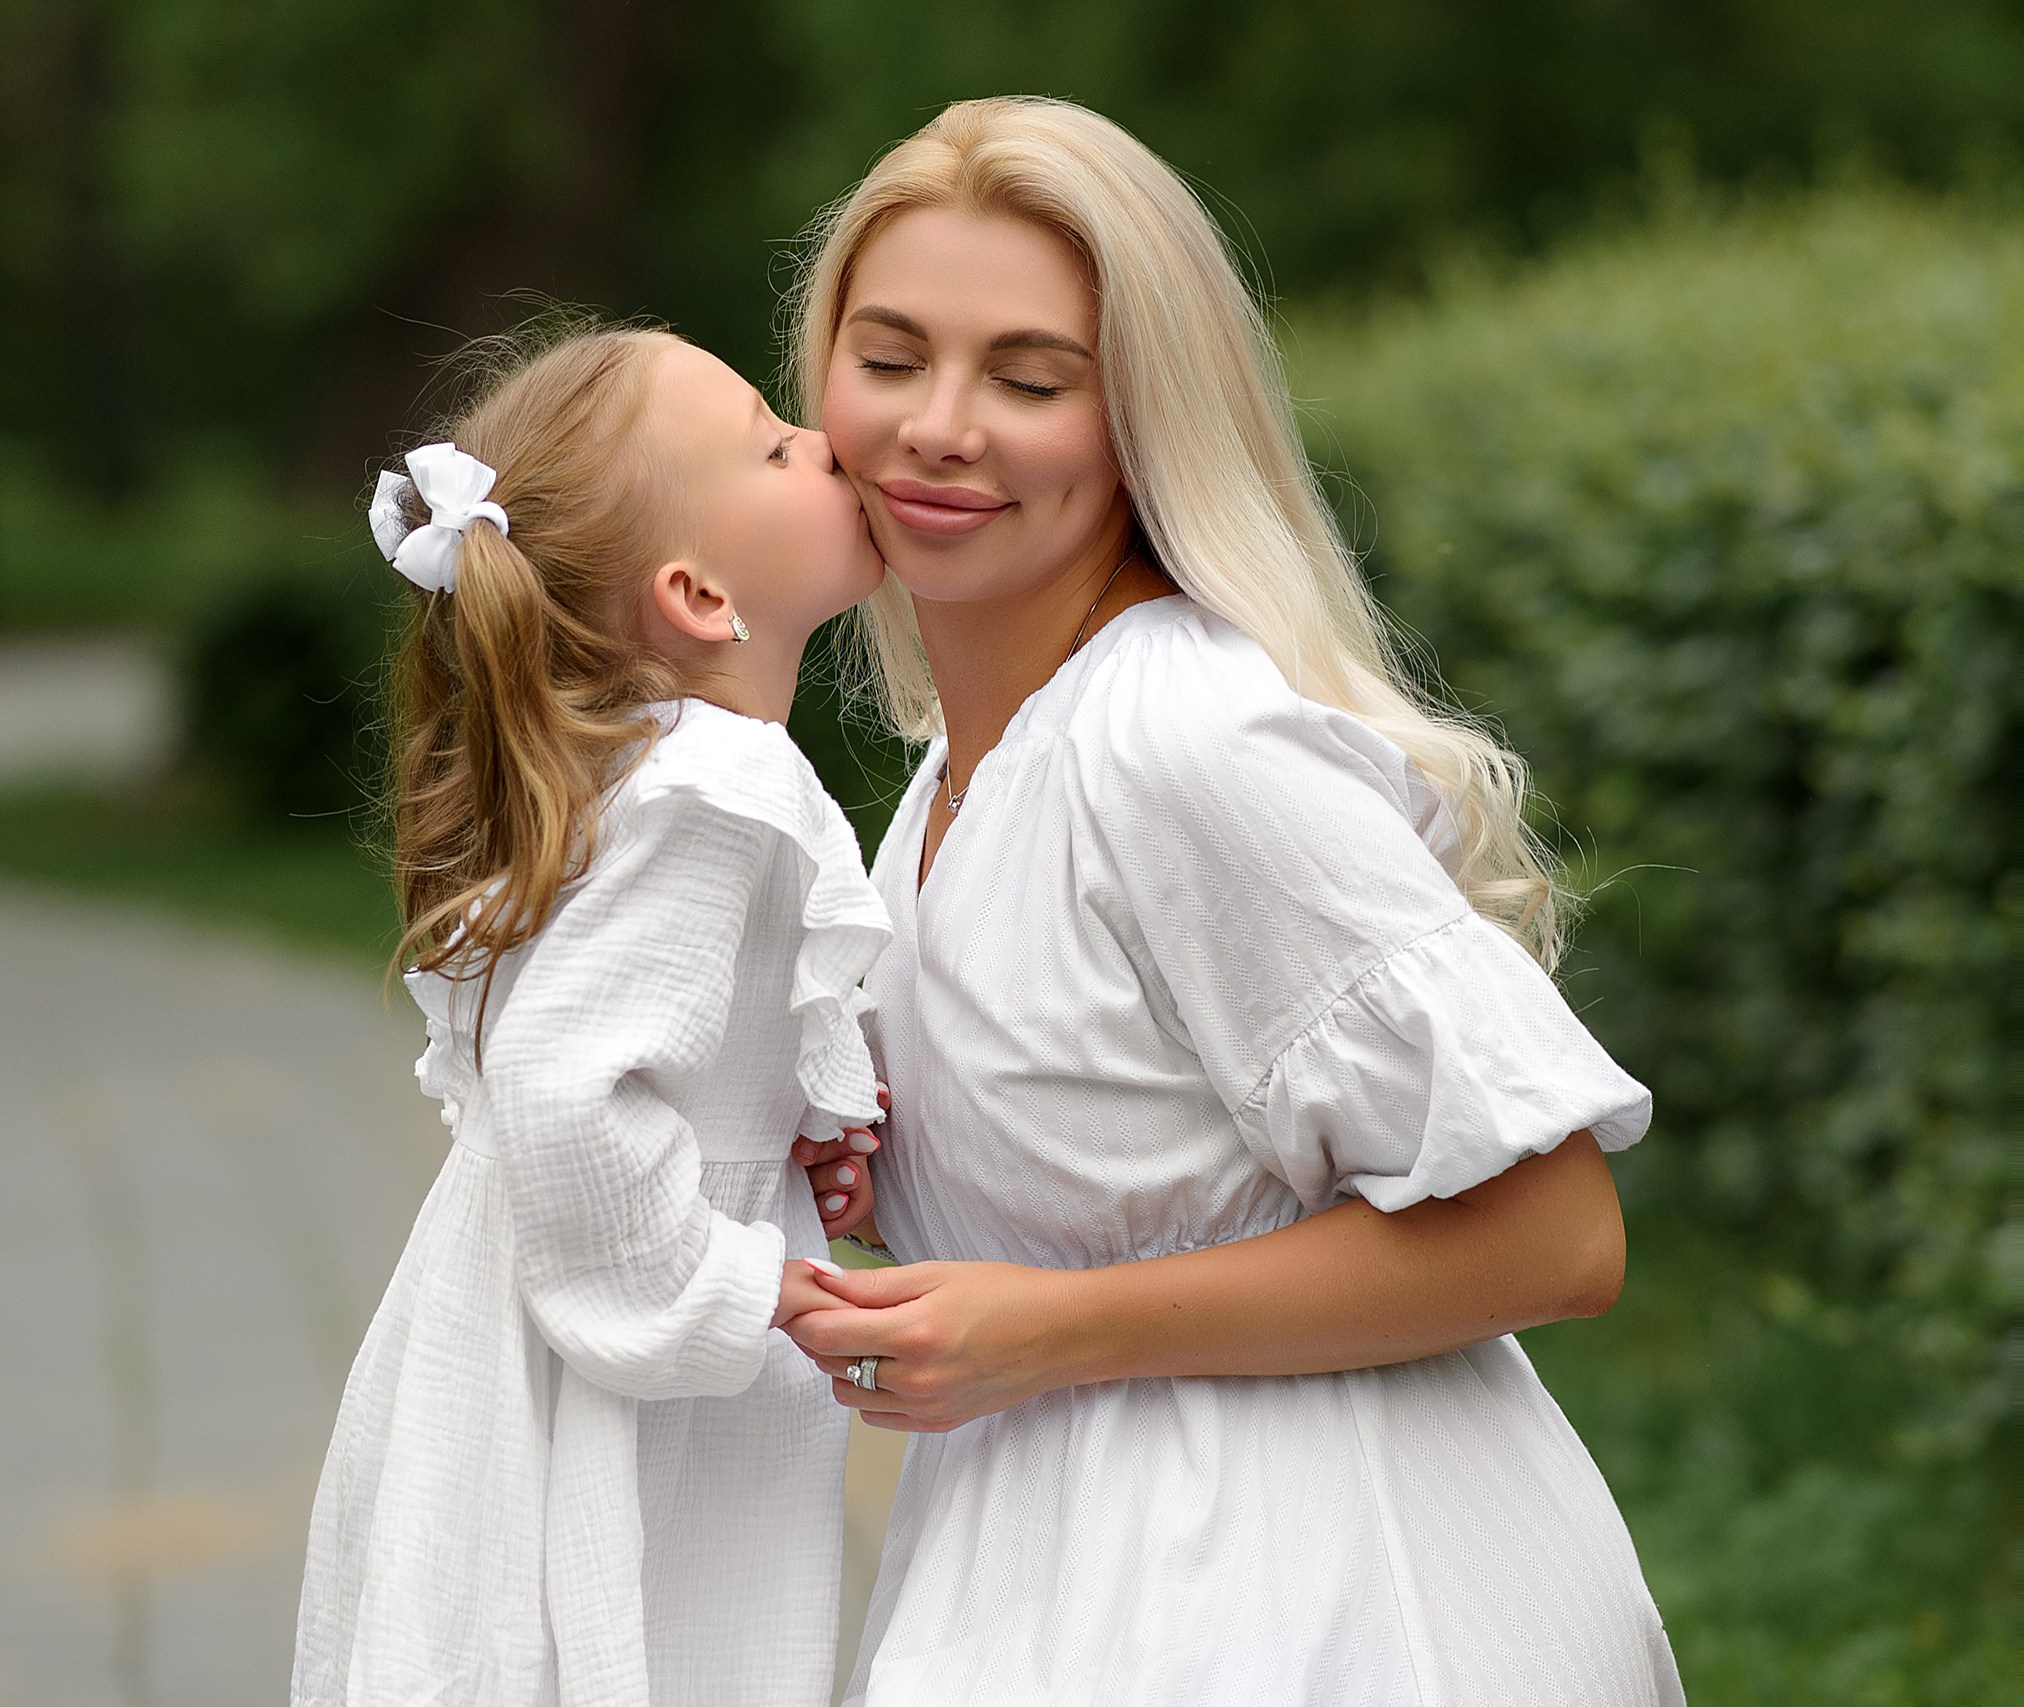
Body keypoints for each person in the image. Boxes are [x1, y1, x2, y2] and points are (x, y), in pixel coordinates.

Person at [780, 98, 1684, 1704]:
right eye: (893, 356)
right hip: (1055, 1565)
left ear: (1144, 419)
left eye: (1032, 379)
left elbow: (1556, 1231)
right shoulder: (950, 776)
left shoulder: (1181, 741)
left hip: (1315, 1595)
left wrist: (1049, 1329)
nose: (940, 426)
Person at [290, 326, 891, 1707]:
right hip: (620, 1375)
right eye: (772, 442)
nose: (825, 442)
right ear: (695, 591)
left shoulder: (649, 778)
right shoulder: (717, 788)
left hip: (556, 1332)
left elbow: (644, 1048)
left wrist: (803, 1121)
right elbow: (564, 1089)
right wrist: (739, 1285)